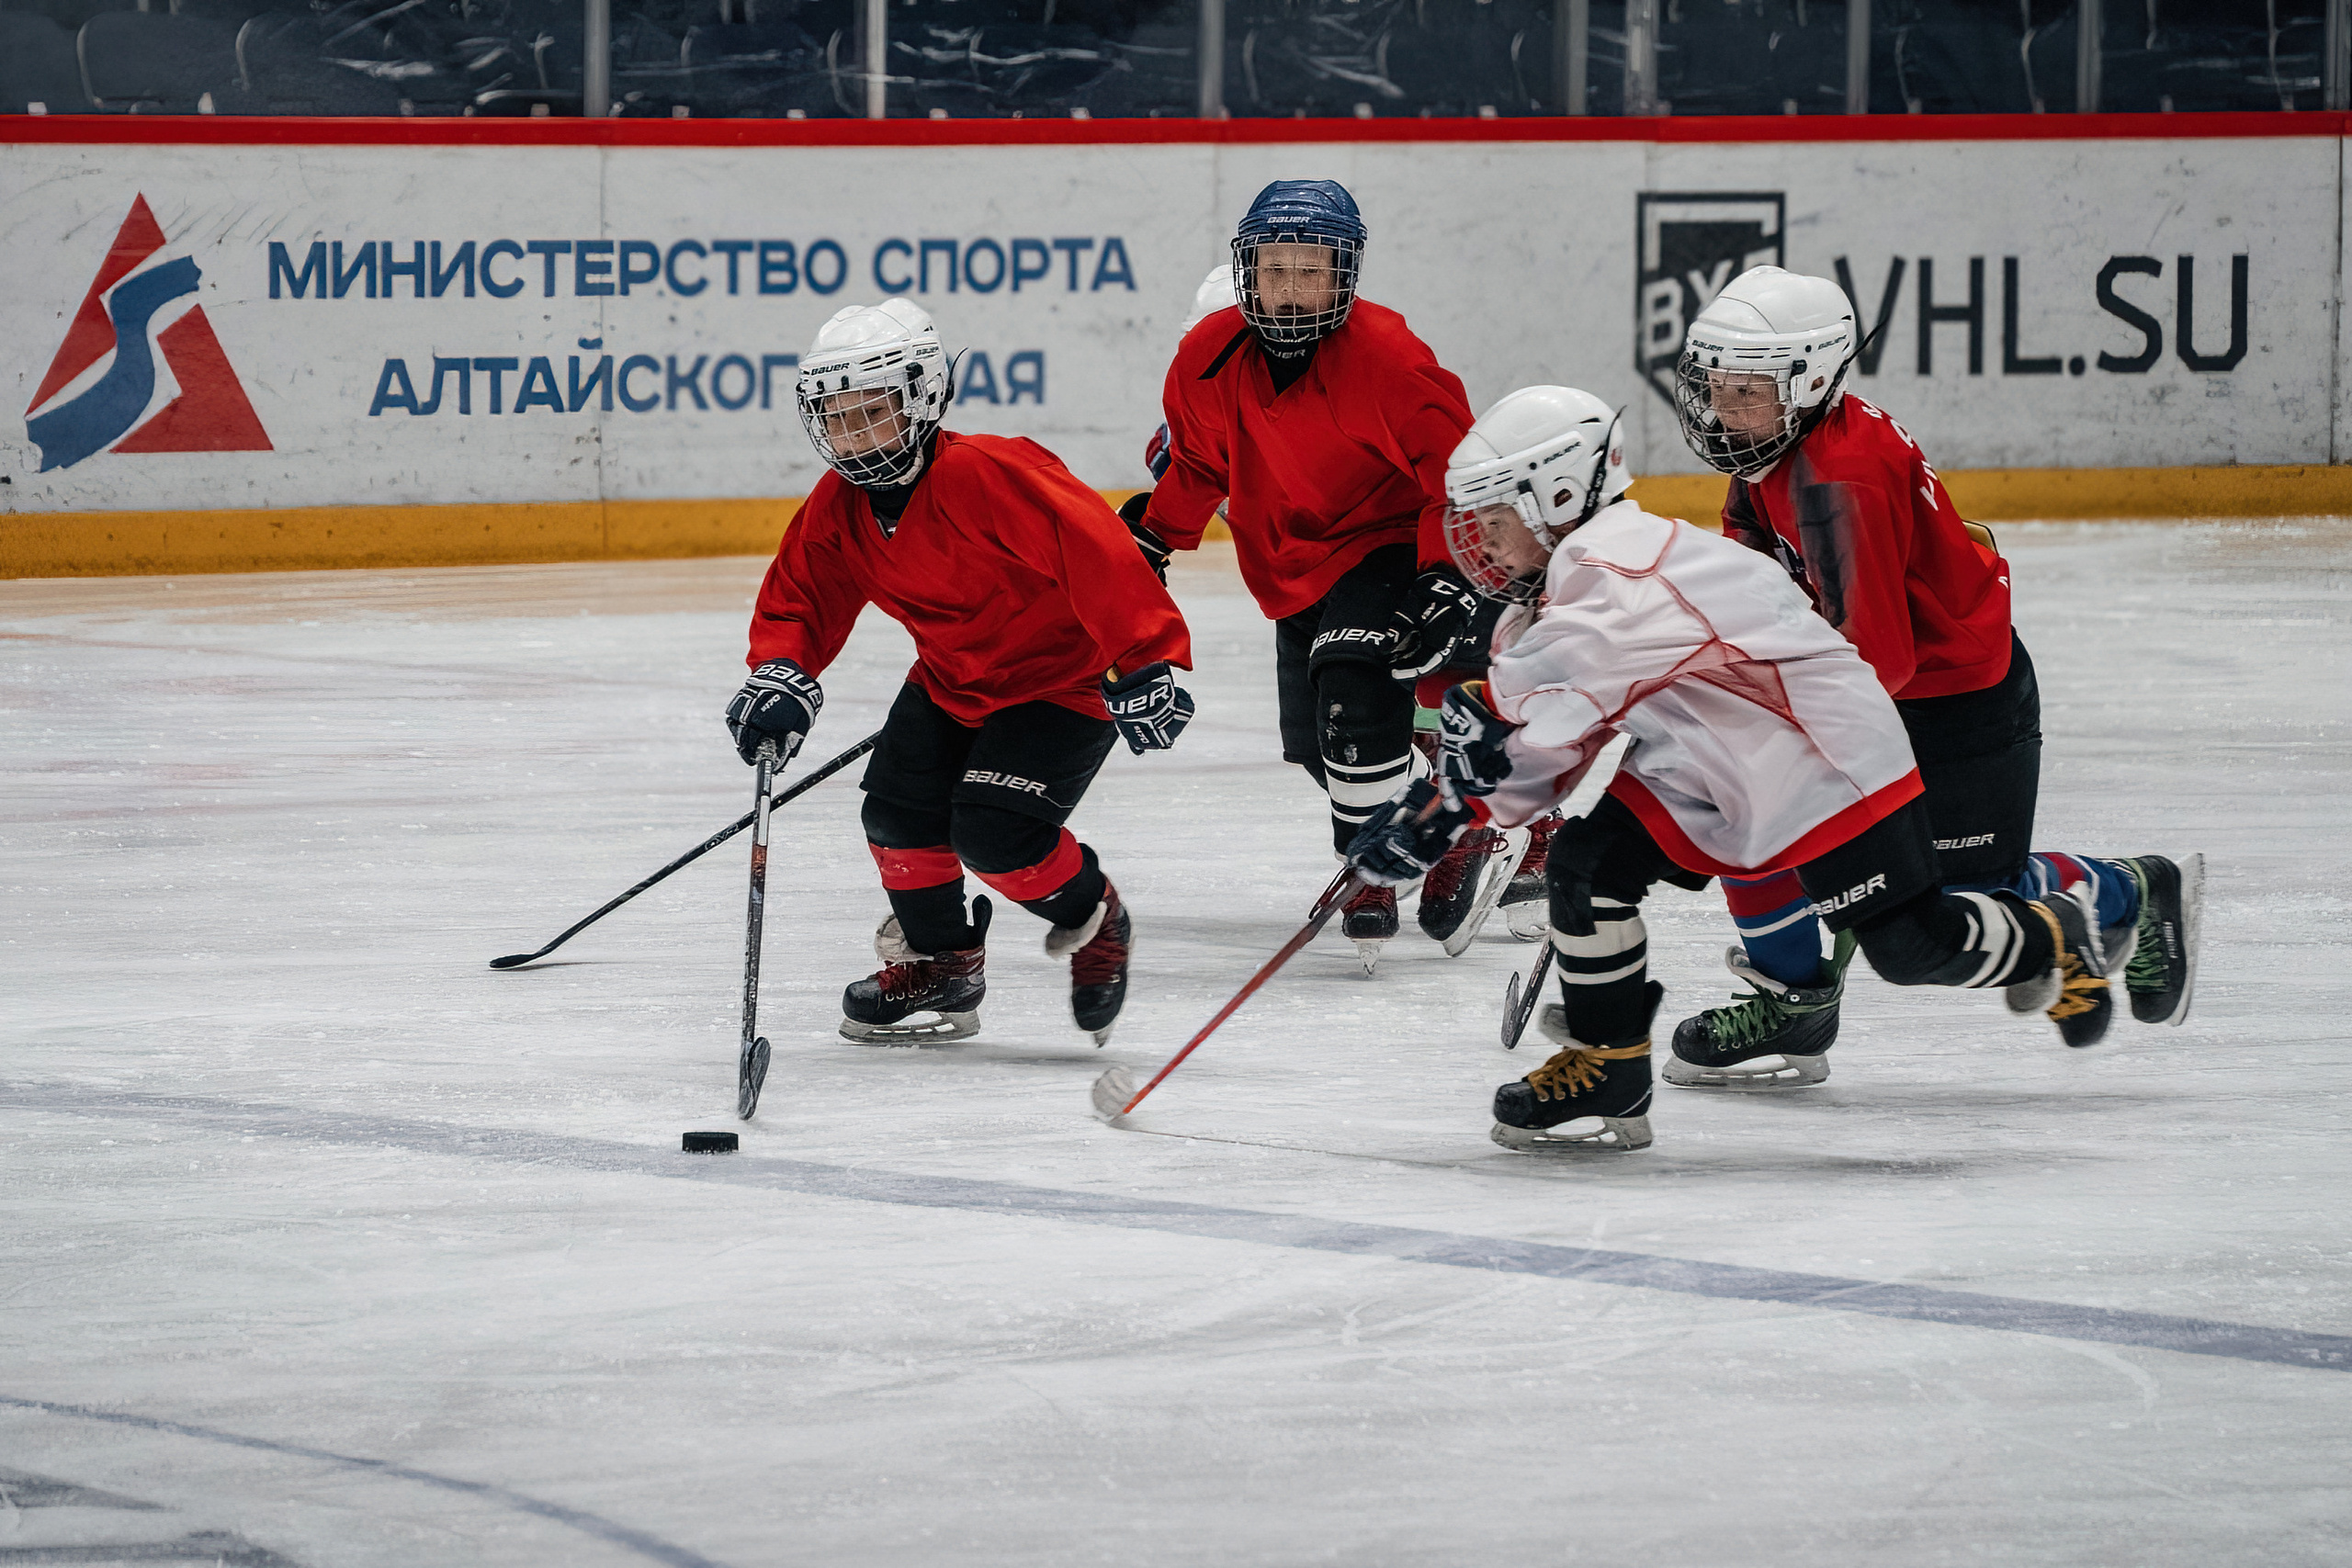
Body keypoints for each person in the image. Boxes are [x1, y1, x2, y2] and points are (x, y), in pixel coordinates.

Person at [1350, 386, 2120, 1155]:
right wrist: (1454, 806)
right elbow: (1549, 748)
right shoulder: (1553, 600)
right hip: (1706, 755)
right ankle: (1609, 1068)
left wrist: (1449, 798)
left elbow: (1550, 697)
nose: (1479, 543)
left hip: (1821, 752)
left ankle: (2055, 932)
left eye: (1496, 520)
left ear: (1555, 497)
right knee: (1588, 864)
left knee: (1911, 947)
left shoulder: (1621, 568)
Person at [1663, 266, 2199, 1089]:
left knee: (1960, 897)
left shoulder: (1840, 479)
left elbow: (1877, 660)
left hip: (1957, 703)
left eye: (1746, 392)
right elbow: (1753, 552)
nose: (1723, 410)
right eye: (1718, 387)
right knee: (1743, 806)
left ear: (1807, 380)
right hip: (1887, 687)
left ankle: (2133, 889)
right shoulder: (1781, 441)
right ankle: (1794, 1000)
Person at [726, 298, 1194, 1046]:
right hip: (951, 682)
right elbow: (802, 598)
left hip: (1062, 681)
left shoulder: (988, 472)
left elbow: (1098, 548)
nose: (854, 435)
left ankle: (1095, 915)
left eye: (871, 412)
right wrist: (780, 670)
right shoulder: (839, 507)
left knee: (997, 834)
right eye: (837, 417)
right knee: (896, 817)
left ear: (922, 398)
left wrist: (1143, 655)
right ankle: (944, 964)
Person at [1119, 178, 1478, 970]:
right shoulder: (1205, 358)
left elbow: (1458, 476)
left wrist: (1445, 575)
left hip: (1386, 544)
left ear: (1344, 275)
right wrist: (1152, 539)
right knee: (1321, 750)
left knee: (1355, 695)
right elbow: (1199, 466)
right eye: (1274, 269)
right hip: (1291, 569)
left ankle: (1374, 864)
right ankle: (1443, 815)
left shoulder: (1389, 358)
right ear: (1247, 270)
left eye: (1310, 271)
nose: (1289, 289)